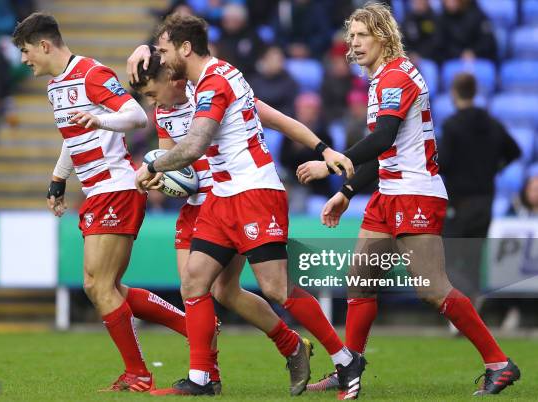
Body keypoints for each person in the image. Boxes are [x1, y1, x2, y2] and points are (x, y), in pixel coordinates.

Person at [129, 13, 361, 397]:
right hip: (221, 198)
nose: (161, 56)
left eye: (165, 49)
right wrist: (142, 50)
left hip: (254, 193)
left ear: (185, 49)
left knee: (277, 288)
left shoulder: (216, 82)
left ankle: (344, 358)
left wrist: (151, 164)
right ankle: (202, 380)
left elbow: (196, 145)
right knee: (196, 282)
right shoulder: (203, 79)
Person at [297, 3, 519, 398]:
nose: (354, 43)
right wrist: (346, 191)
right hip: (389, 192)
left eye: (362, 35)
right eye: (351, 37)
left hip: (416, 193)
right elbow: (386, 151)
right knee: (360, 280)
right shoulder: (384, 77)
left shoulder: (396, 77)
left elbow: (382, 139)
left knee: (432, 289)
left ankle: (498, 363)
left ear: (382, 36)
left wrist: (330, 165)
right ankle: (351, 367)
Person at [12, 12, 199, 392]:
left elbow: (134, 116)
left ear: (44, 45)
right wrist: (58, 178)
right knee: (106, 286)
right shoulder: (55, 87)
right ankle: (194, 328)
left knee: (99, 287)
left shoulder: (91, 74)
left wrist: (101, 121)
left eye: (26, 50)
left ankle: (139, 374)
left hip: (117, 187)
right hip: (97, 191)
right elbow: (72, 134)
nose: (23, 59)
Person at [439, 72, 520, 299]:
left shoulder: (452, 126)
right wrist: (494, 168)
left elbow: (442, 163)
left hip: (459, 202)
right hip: (485, 202)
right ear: (475, 92)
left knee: (450, 258)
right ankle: (472, 303)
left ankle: (463, 306)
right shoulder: (492, 124)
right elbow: (515, 151)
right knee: (473, 260)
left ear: (454, 93)